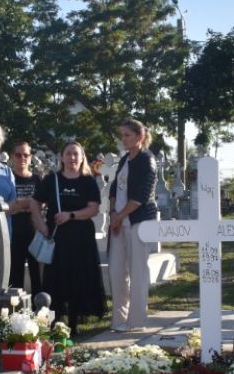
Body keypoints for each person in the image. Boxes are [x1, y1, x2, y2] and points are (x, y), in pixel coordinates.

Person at [31, 142, 106, 334]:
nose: (72, 158)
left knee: (78, 278)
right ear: (62, 157)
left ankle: (74, 322)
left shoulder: (88, 181)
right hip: (57, 238)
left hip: (81, 239)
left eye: (76, 154)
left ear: (82, 157)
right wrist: (41, 226)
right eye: (68, 154)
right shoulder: (52, 179)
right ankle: (53, 322)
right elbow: (35, 203)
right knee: (54, 279)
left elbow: (93, 209)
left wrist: (70, 215)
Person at [107, 118, 158, 332]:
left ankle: (136, 322)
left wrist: (119, 216)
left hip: (138, 221)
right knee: (116, 271)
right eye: (122, 135)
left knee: (138, 272)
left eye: (127, 135)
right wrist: (113, 214)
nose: (123, 139)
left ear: (140, 136)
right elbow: (114, 189)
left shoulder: (147, 160)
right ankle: (119, 319)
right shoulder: (124, 160)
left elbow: (141, 196)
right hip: (118, 222)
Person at [7, 141, 42, 291]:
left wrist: (19, 205)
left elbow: (41, 204)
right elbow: (8, 207)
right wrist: (29, 203)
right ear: (12, 157)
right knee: (15, 277)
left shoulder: (37, 180)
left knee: (37, 277)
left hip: (34, 233)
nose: (22, 158)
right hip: (13, 233)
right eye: (18, 155)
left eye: (26, 155)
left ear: (30, 157)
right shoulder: (8, 178)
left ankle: (38, 305)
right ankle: (16, 306)